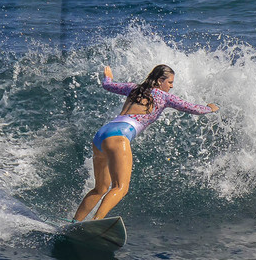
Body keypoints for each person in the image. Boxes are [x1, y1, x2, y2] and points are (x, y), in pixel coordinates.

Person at [72, 64, 217, 224]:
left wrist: (108, 77)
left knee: (100, 188)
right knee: (120, 187)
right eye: (169, 82)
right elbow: (194, 108)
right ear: (160, 80)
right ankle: (95, 222)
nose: (171, 86)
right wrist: (209, 108)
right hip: (118, 136)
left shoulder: (133, 88)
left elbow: (107, 85)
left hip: (101, 135)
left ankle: (74, 223)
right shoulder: (164, 96)